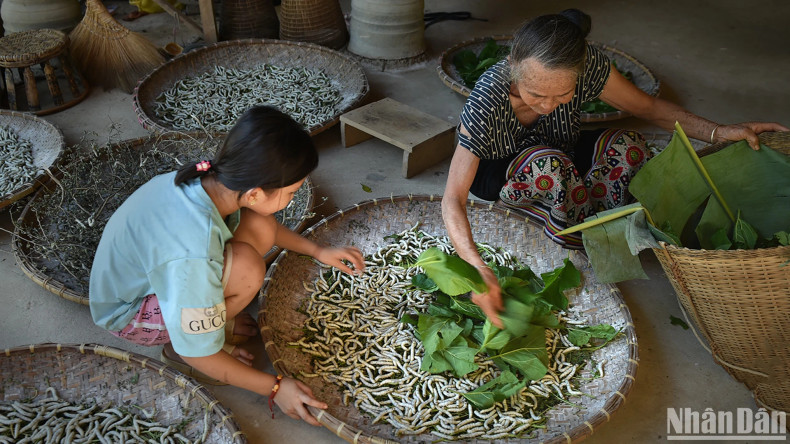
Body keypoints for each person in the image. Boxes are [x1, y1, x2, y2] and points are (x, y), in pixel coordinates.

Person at [441, 9, 788, 328]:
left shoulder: (589, 65)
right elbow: (452, 199)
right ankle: (576, 241)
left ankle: (589, 217)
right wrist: (477, 267)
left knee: (629, 146)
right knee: (551, 168)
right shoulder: (488, 97)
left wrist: (722, 131)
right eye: (535, 95)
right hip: (501, 170)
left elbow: (650, 108)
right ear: (514, 65)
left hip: (558, 147)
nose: (547, 106)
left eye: (561, 95)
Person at [89, 105, 365, 426]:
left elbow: (268, 228)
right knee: (248, 270)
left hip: (156, 274)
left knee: (260, 226)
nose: (294, 198)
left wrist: (317, 250)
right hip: (129, 313)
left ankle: (209, 319)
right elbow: (199, 353)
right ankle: (176, 348)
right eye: (292, 192)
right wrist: (275, 387)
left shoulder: (213, 181)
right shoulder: (195, 251)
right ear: (255, 193)